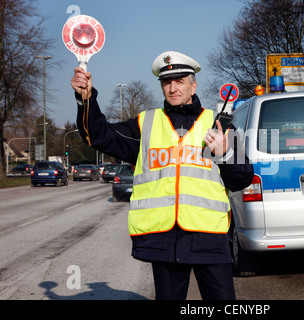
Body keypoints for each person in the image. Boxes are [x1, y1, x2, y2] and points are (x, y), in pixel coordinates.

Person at [70, 51, 254, 300]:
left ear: (193, 85)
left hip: (209, 238)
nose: (173, 88)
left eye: (179, 81)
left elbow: (242, 178)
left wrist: (225, 153)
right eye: (167, 82)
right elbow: (99, 134)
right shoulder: (146, 124)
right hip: (166, 241)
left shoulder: (219, 124)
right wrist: (86, 98)